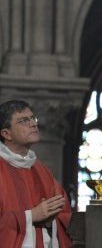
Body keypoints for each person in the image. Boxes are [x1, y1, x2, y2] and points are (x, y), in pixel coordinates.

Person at [0, 100, 72, 248]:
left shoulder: (41, 170)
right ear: (6, 134)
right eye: (24, 121)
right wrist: (32, 216)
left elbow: (64, 213)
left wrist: (49, 220)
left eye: (33, 118)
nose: (33, 124)